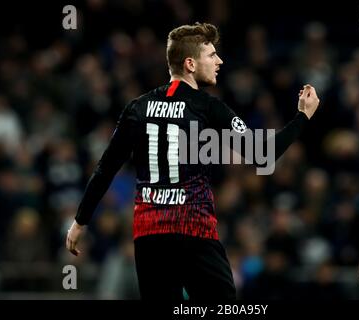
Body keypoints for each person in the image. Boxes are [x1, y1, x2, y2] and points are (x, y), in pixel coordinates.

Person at [66, 22, 320, 301]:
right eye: (211, 55)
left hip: (149, 235)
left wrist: (80, 222)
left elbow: (105, 169)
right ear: (190, 63)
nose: (219, 61)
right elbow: (263, 154)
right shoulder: (207, 107)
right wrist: (302, 117)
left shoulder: (137, 107)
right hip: (193, 230)